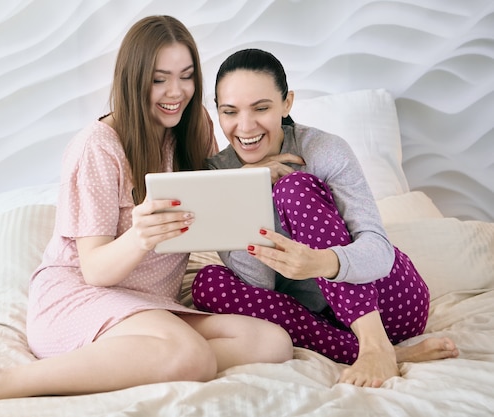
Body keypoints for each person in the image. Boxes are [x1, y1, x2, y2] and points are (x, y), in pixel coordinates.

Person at [0, 19, 292, 410]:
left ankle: (146, 358)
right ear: (134, 79)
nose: (176, 92)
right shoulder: (99, 147)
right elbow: (95, 270)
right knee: (190, 355)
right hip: (83, 296)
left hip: (150, 306)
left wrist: (247, 180)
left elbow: (209, 205)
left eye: (186, 77)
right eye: (160, 79)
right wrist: (140, 236)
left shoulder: (195, 129)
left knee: (272, 342)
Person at [192, 48, 459, 388]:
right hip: (316, 319)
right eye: (230, 111)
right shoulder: (218, 174)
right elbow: (258, 287)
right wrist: (246, 185)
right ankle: (383, 353)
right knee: (207, 284)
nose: (245, 126)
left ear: (287, 103)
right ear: (218, 112)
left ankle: (376, 346)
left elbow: (378, 250)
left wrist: (321, 262)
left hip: (389, 306)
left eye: (261, 108)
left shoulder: (323, 149)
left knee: (294, 187)